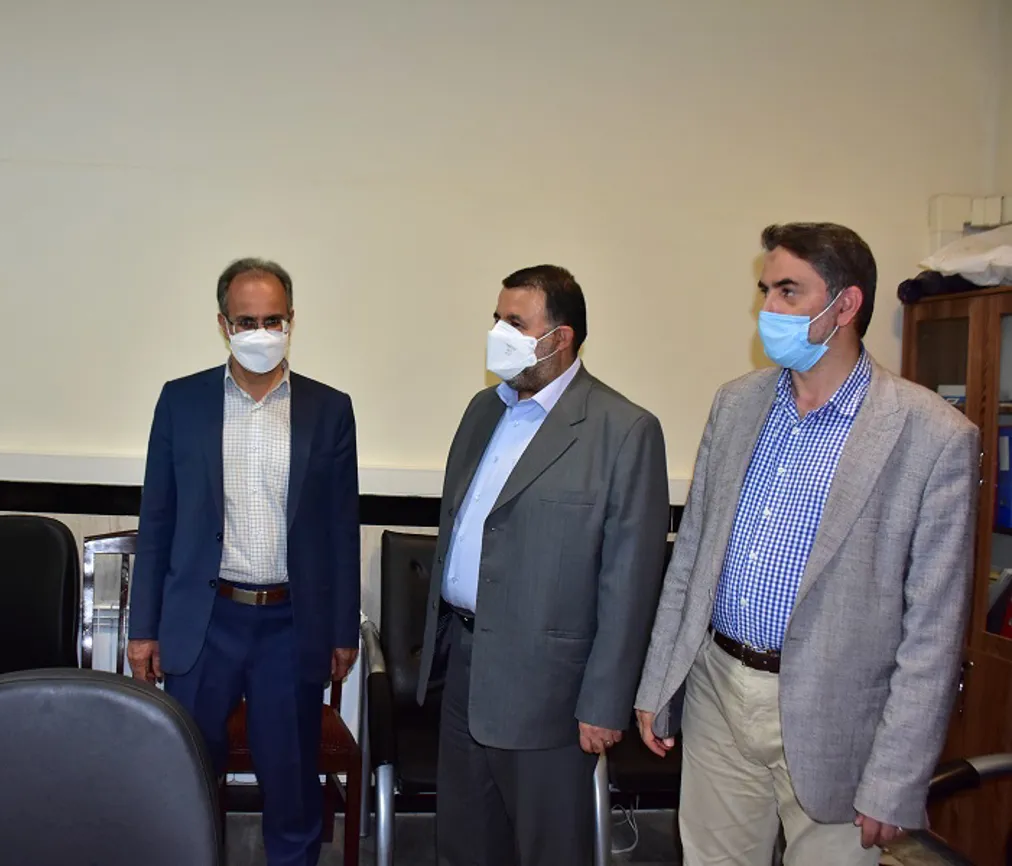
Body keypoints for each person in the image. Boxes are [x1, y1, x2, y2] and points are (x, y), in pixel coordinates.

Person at [635, 223, 979, 865]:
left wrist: (896, 778)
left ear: (845, 305)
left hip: (836, 717)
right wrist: (657, 682)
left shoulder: (932, 436)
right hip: (718, 687)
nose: (768, 308)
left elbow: (933, 632)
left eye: (788, 291)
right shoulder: (736, 404)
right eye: (765, 290)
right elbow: (691, 558)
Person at [415, 265, 671, 866]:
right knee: (464, 846)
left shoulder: (623, 431)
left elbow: (630, 584)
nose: (498, 334)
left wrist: (605, 703)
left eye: (515, 323)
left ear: (560, 338)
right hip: (465, 670)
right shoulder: (483, 410)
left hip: (550, 694)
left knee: (547, 850)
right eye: (496, 319)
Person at [126, 258, 360, 866]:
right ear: (224, 324)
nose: (261, 332)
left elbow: (340, 528)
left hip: (290, 622)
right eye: (246, 321)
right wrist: (143, 627)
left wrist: (343, 629)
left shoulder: (329, 409)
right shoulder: (181, 402)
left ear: (291, 320)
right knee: (187, 775)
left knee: (291, 781)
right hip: (204, 620)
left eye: (272, 320)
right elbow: (158, 518)